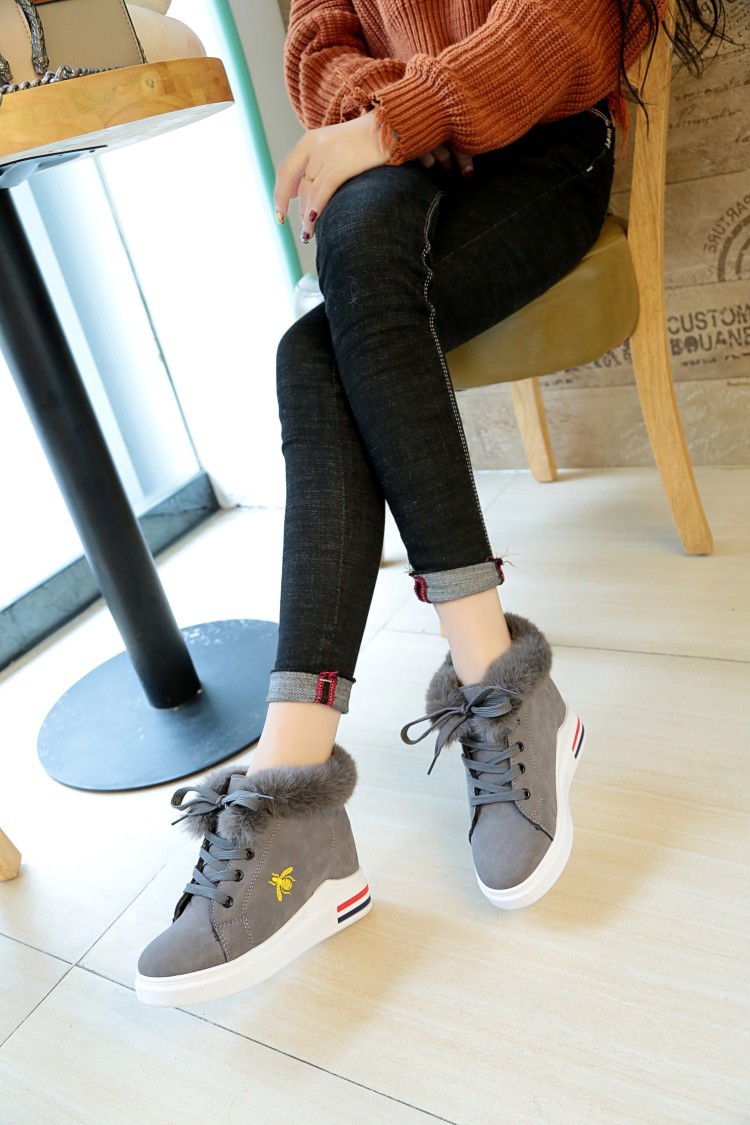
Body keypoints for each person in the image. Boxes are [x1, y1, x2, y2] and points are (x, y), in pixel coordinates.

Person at [135, 0, 727, 1007]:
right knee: (322, 322)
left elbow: (570, 26)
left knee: (322, 337)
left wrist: (396, 123)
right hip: (400, 158)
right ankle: (314, 775)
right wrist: (397, 126)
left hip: (543, 144)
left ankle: (455, 705)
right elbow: (318, 47)